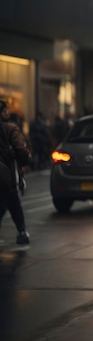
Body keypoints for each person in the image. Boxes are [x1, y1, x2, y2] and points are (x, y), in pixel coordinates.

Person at [0, 100, 32, 244]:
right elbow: (21, 150)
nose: (7, 113)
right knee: (13, 204)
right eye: (5, 110)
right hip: (6, 175)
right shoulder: (10, 128)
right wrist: (25, 161)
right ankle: (22, 232)